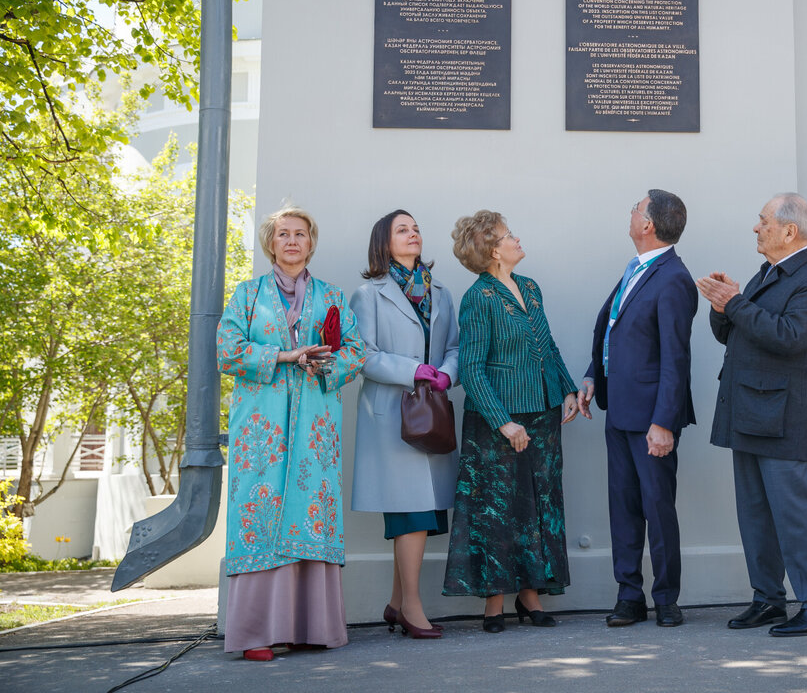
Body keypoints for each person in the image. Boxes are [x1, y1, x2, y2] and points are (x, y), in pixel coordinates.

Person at [217, 205, 365, 660]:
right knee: (260, 511)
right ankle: (255, 633)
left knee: (309, 509)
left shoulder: (332, 296)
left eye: (301, 234)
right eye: (283, 234)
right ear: (271, 243)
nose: (293, 241)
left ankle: (308, 627)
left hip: (315, 428)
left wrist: (324, 363)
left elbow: (356, 351)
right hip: (261, 428)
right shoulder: (247, 294)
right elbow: (226, 350)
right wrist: (284, 356)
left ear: (311, 242)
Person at [697, 193, 807, 637]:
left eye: (762, 221)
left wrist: (736, 302)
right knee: (755, 516)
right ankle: (768, 601)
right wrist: (723, 306)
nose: (756, 228)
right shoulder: (770, 273)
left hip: (784, 416)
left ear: (788, 231)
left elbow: (790, 337)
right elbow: (737, 335)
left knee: (794, 514)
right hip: (750, 411)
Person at [441, 210, 579, 633]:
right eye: (508, 235)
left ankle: (530, 592)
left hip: (543, 414)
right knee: (496, 511)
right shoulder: (477, 298)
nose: (516, 239)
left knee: (537, 506)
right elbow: (473, 368)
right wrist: (504, 423)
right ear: (491, 249)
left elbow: (548, 345)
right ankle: (494, 602)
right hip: (497, 421)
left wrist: (568, 390)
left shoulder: (529, 287)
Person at [578, 189, 698, 628]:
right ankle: (629, 597)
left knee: (657, 509)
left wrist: (663, 423)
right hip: (619, 412)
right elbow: (614, 331)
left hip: (652, 420)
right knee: (623, 509)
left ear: (648, 224)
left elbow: (676, 358)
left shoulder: (673, 278)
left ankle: (667, 599)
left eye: (635, 207)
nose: (629, 212)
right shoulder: (637, 268)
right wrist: (594, 375)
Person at [349, 209, 458, 640]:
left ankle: (396, 603)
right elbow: (363, 355)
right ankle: (413, 608)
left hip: (430, 412)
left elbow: (454, 346)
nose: (413, 234)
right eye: (402, 229)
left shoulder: (442, 293)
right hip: (391, 415)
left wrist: (448, 372)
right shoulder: (368, 294)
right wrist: (414, 370)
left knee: (424, 510)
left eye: (416, 228)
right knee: (410, 511)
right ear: (384, 242)